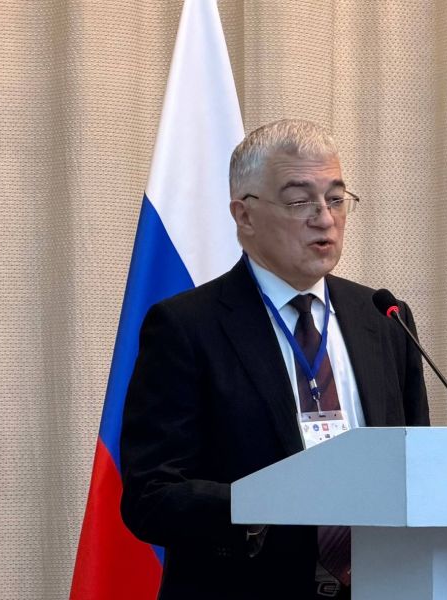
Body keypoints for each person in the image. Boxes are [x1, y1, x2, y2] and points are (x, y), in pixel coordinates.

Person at [120, 119, 430, 600]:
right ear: (244, 216)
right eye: (300, 201)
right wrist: (262, 504)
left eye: (336, 198)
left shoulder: (384, 318)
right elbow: (150, 495)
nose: (325, 218)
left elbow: (415, 464)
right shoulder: (186, 326)